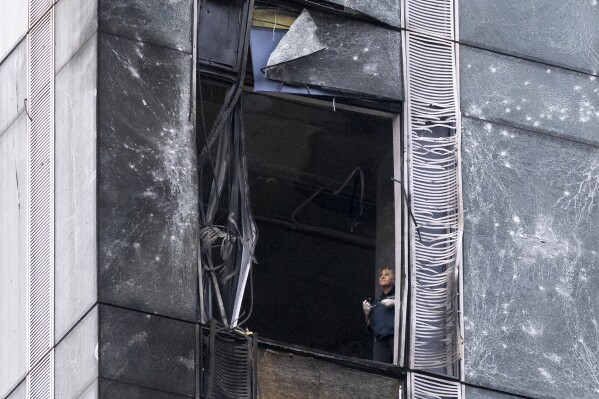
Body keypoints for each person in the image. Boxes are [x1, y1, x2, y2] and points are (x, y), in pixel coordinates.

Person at [362, 267, 396, 363]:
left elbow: (411, 308)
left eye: (386, 274)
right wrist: (367, 313)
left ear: (393, 278)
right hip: (380, 339)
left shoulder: (400, 295)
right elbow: (368, 325)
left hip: (395, 336)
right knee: (379, 369)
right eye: (381, 275)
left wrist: (396, 302)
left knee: (400, 366)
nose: (382, 277)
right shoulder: (376, 303)